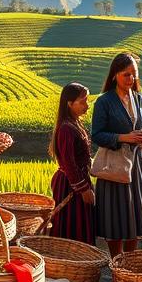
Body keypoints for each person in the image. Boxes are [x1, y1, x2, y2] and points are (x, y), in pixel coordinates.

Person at [91, 52, 142, 257]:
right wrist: (124, 137)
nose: (131, 79)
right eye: (126, 74)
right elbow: (97, 135)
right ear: (115, 75)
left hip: (137, 165)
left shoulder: (140, 99)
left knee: (135, 214)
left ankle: (130, 260)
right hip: (114, 166)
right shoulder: (104, 101)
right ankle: (116, 259)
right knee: (114, 215)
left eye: (134, 74)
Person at [49, 83, 96, 245]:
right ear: (70, 103)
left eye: (87, 101)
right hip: (70, 186)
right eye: (82, 102)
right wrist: (83, 189)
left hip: (76, 182)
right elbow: (69, 163)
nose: (87, 105)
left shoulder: (73, 124)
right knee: (72, 226)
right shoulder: (66, 129)